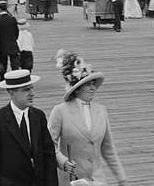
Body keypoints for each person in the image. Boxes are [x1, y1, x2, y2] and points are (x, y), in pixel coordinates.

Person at [48, 50, 127, 185]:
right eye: (88, 84)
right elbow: (49, 144)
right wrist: (63, 162)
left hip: (97, 180)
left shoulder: (101, 111)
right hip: (72, 179)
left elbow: (108, 149)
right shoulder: (60, 111)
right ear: (77, 88)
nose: (93, 88)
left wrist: (121, 178)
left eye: (94, 84)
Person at [0, 69, 59, 186]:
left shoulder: (38, 116)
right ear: (11, 93)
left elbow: (49, 156)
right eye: (26, 90)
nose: (32, 93)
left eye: (32, 88)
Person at [0, 1, 20, 76]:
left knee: (3, 63)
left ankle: (2, 79)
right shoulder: (12, 19)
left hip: (2, 45)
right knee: (14, 63)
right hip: (12, 43)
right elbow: (16, 32)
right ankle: (16, 77)